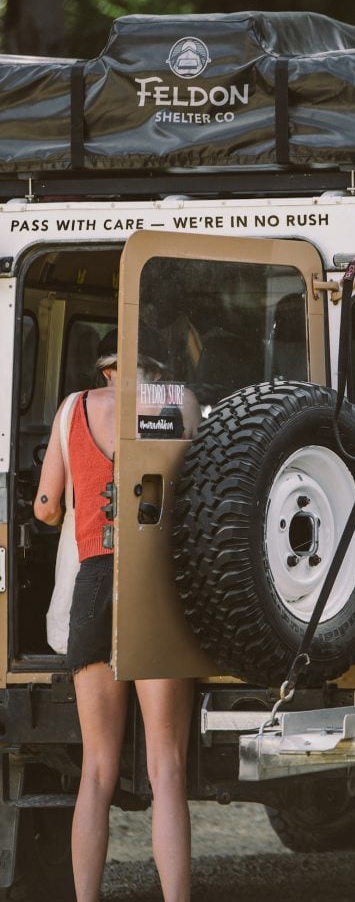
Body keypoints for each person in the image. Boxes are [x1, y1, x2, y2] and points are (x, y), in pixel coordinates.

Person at [34, 327, 196, 902]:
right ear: (154, 366)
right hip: (152, 582)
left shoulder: (71, 409)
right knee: (166, 768)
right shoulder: (174, 405)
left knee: (96, 772)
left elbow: (46, 506)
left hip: (93, 584)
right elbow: (192, 494)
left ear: (105, 369)